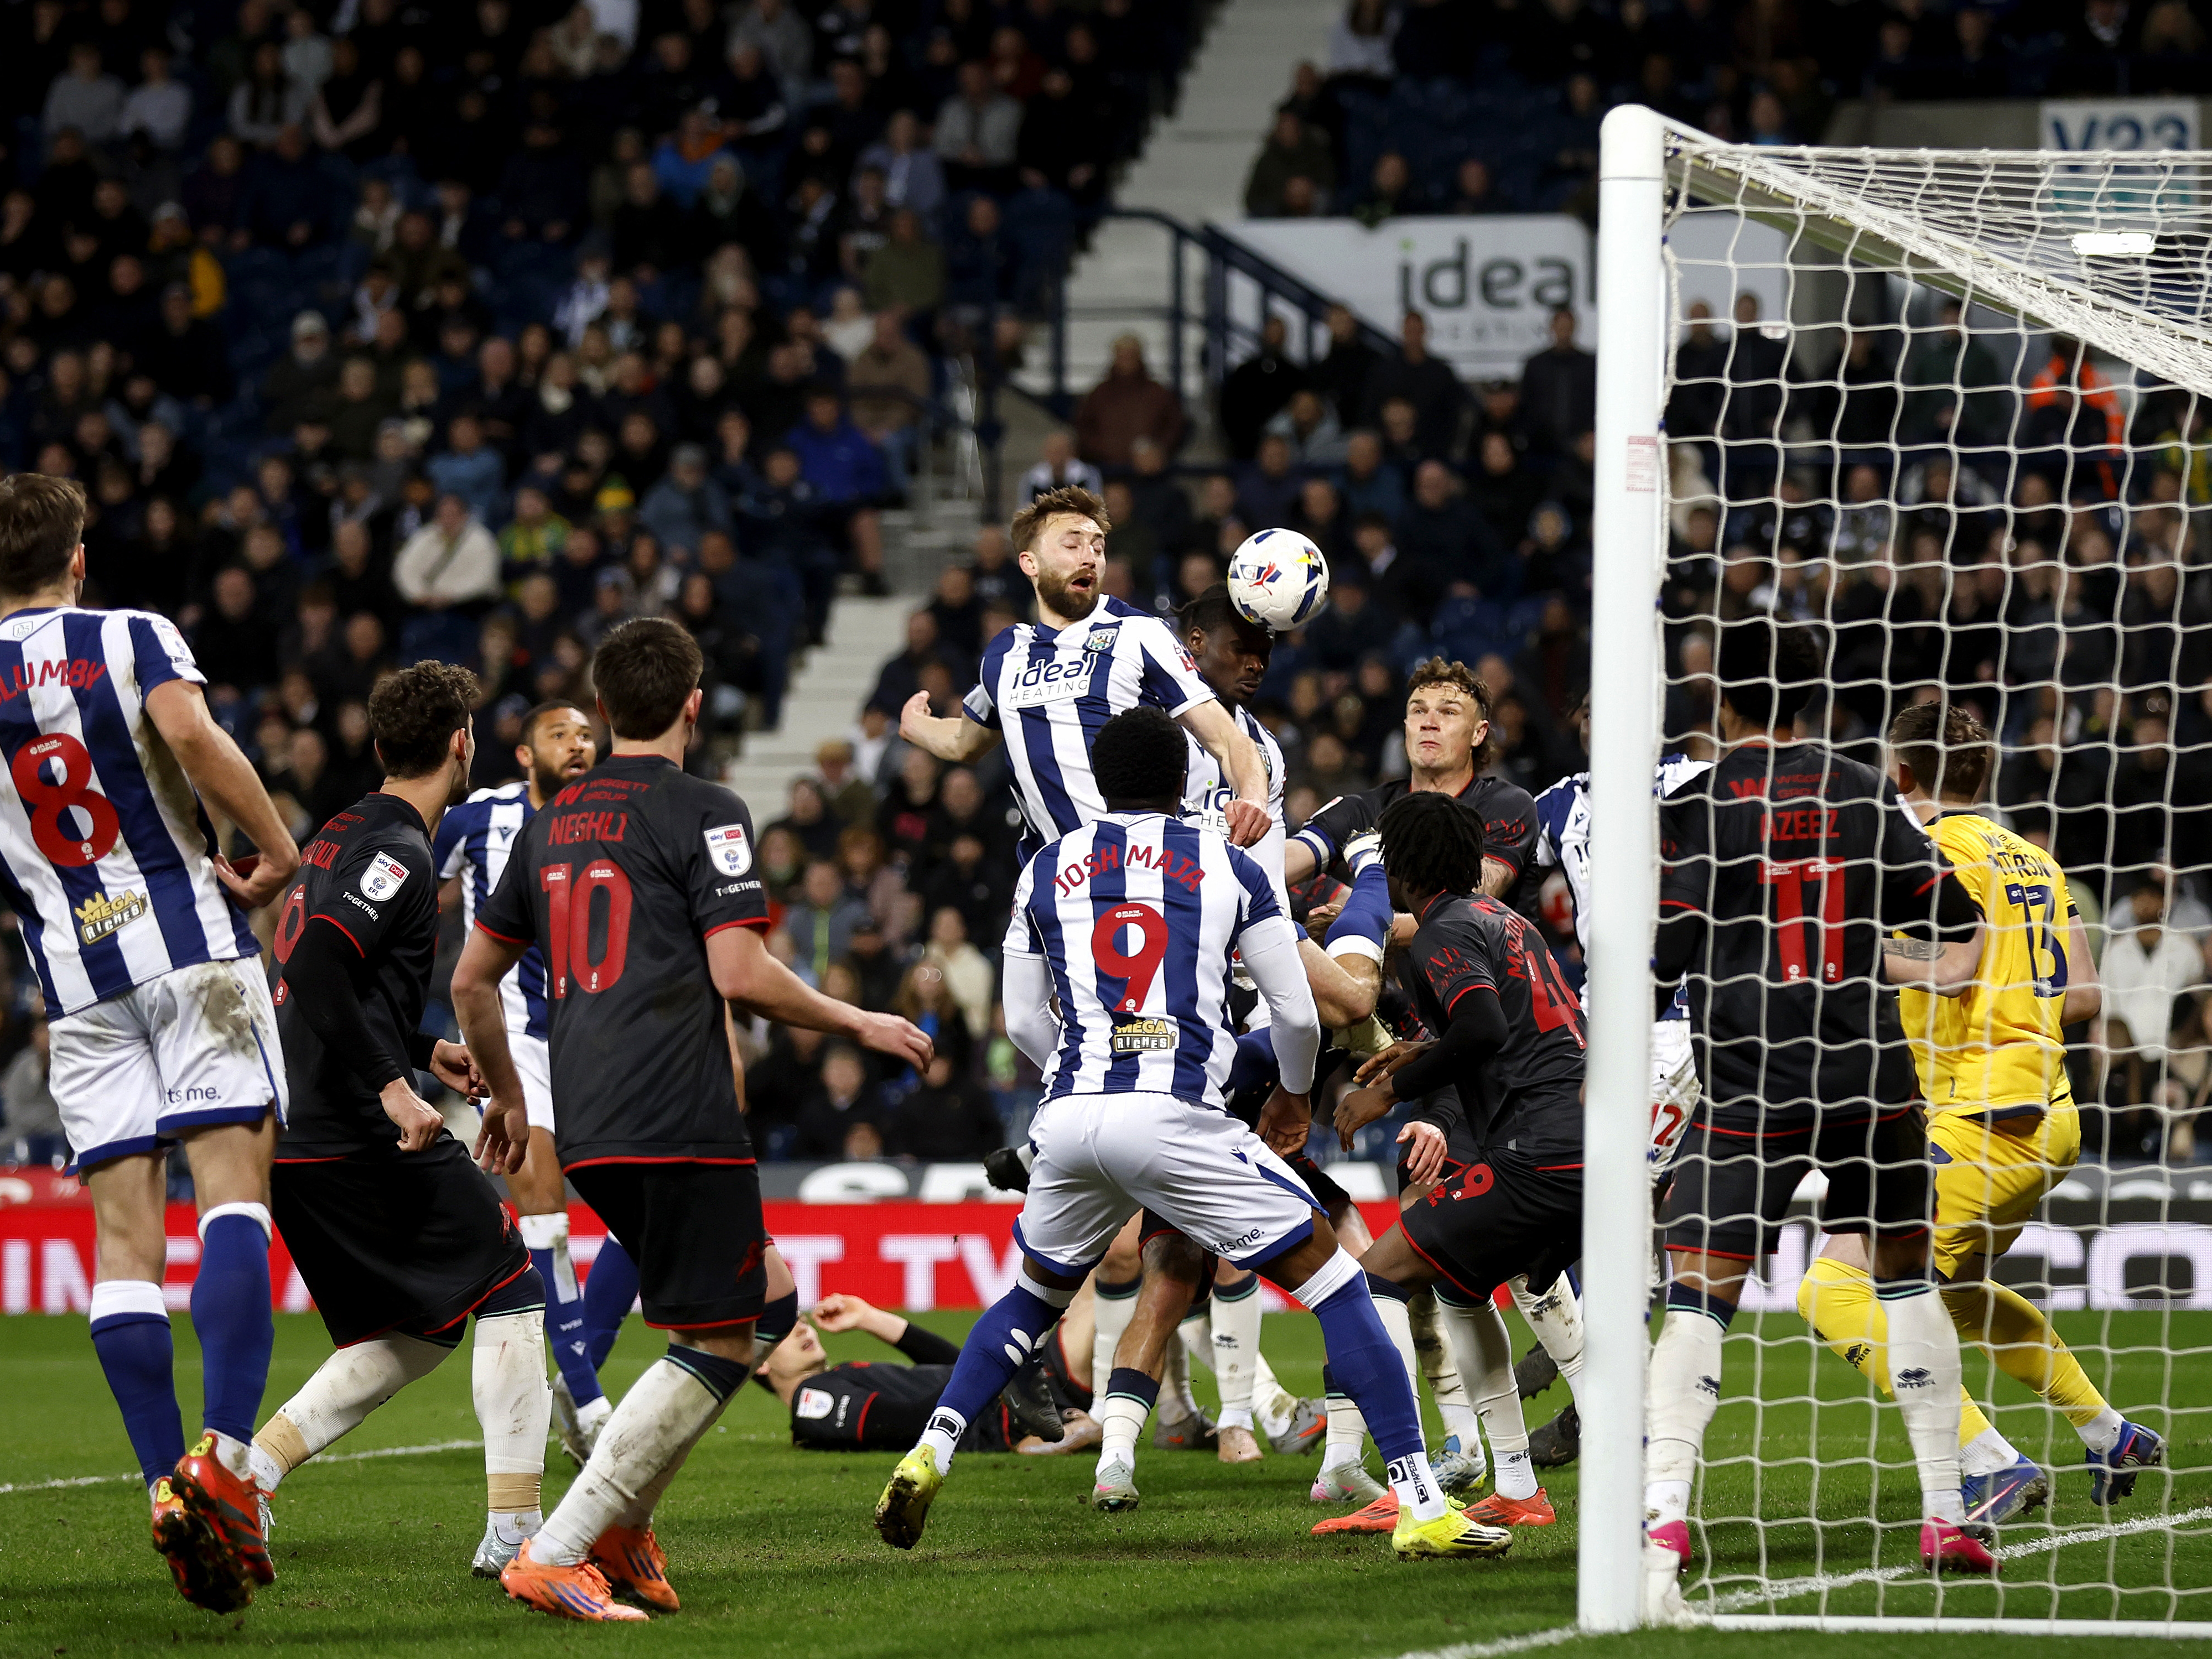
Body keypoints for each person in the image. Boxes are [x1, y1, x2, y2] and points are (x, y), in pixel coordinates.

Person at [871, 706, 1508, 1561]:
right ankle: (1421, 1503)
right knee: (1338, 1285)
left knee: (1030, 1298)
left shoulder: (1045, 866)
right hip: (1176, 1111)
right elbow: (1294, 1011)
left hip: (1067, 1116)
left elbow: (1020, 1017)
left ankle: (932, 1447)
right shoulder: (1229, 862)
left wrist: (1081, 1065)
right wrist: (1288, 1099)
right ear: (1185, 782)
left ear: (1098, 782)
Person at [454, 618, 931, 1621]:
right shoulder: (705, 806)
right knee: (734, 1329)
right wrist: (860, 1017)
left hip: (582, 1117)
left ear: (604, 709)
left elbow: (472, 976)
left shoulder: (552, 817)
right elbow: (739, 971)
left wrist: (505, 1094)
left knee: (765, 1293)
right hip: (675, 1106)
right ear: (692, 702)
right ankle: (564, 1544)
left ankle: (623, 1529)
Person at [1643, 619, 1995, 1619]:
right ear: (1810, 699)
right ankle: (1943, 1510)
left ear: (1723, 700)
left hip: (1751, 1080)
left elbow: (1665, 951)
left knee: (1698, 1291)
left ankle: (1663, 1516)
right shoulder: (1859, 788)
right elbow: (1950, 917)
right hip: (1868, 1078)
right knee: (1903, 1273)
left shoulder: (1701, 804)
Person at [0, 474, 298, 1613]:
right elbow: (189, 732)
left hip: (75, 986)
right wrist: (277, 844)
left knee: (125, 1239)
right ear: (78, 558)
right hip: (194, 956)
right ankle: (222, 1472)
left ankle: (162, 1485)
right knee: (232, 1197)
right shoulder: (129, 632)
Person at [1798, 703, 2162, 1523]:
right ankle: (2108, 1430)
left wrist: (1853, 955)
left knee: (1831, 1289)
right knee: (1954, 1290)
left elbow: (1949, 968)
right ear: (1982, 772)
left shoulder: (1918, 851)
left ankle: (1987, 1459)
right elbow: (2083, 995)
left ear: (1900, 773)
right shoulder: (2034, 857)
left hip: (1976, 1118)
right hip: (2052, 1115)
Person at [253, 663, 552, 1580]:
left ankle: (244, 1473)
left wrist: (423, 1049)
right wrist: (392, 1081)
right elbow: (314, 959)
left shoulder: (342, 828)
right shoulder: (402, 852)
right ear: (462, 743)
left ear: (383, 748)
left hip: (296, 1131)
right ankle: (517, 1530)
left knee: (422, 1328)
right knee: (509, 1282)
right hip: (352, 1124)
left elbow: (318, 962)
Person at [1318, 791, 1590, 1537]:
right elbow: (1510, 1028)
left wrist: (1389, 1093)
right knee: (1462, 1286)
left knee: (1374, 1274)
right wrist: (1417, 1052)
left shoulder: (1441, 929)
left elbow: (1479, 1025)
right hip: (1582, 1145)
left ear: (1400, 871)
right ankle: (1514, 1483)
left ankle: (1410, 1486)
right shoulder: (1507, 920)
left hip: (1540, 1153)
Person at [433, 701, 638, 1468]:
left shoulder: (620, 816)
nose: (579, 744)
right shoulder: (481, 816)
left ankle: (571, 1382)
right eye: (561, 734)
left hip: (597, 1039)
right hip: (512, 1042)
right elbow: (415, 884)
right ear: (524, 754)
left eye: (588, 733)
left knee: (641, 1210)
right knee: (545, 1212)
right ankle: (587, 1401)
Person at [1521, 693, 1713, 1466]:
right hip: (1594, 1023)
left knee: (1619, 1195)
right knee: (1579, 1185)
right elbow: (1494, 867)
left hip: (1682, 1019)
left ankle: (1602, 1398)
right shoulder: (1558, 804)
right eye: (1596, 707)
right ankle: (1592, 1373)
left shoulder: (1695, 780)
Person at [895, 486, 1271, 864]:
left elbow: (1229, 739)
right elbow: (965, 741)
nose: (1090, 557)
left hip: (1147, 865)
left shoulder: (1139, 632)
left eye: (1098, 546)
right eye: (1072, 545)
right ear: (1030, 563)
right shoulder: (1005, 653)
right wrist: (916, 726)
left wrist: (1254, 799)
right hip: (1058, 879)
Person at [1286, 658, 1543, 922]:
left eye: (1449, 713)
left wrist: (1358, 910)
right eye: (1418, 711)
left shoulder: (1507, 804)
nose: (1428, 723)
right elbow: (1281, 863)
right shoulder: (1365, 808)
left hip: (1483, 960)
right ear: (1406, 726)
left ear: (1478, 734)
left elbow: (1470, 906)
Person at [761, 1293, 1088, 1453]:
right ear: (758, 1362)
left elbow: (958, 1364)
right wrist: (997, 1376)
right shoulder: (812, 1400)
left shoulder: (833, 1381)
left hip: (1020, 1396)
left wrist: (868, 1319)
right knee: (1100, 1268)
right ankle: (1093, 1424)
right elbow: (909, 1424)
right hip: (1007, 1415)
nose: (803, 1331)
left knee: (1101, 1274)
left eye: (802, 1322)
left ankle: (1091, 1424)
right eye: (785, 1330)